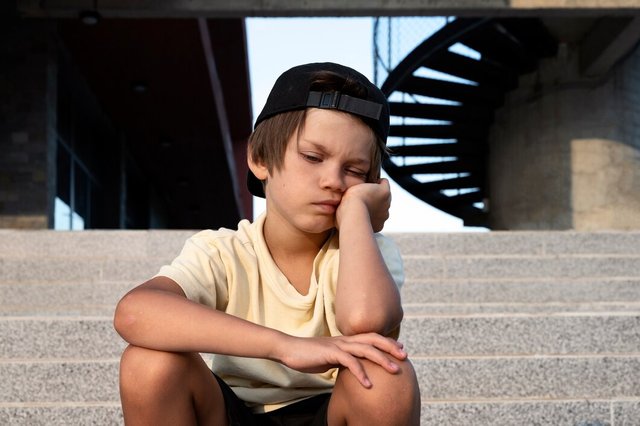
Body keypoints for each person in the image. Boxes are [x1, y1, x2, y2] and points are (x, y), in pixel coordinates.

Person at [114, 62, 421, 426]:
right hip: (228, 414)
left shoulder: (366, 252)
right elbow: (135, 313)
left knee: (386, 376)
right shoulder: (223, 252)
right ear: (260, 159)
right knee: (149, 361)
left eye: (354, 171)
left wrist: (355, 213)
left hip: (331, 412)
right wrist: (285, 347)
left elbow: (363, 319)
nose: (333, 181)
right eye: (312, 157)